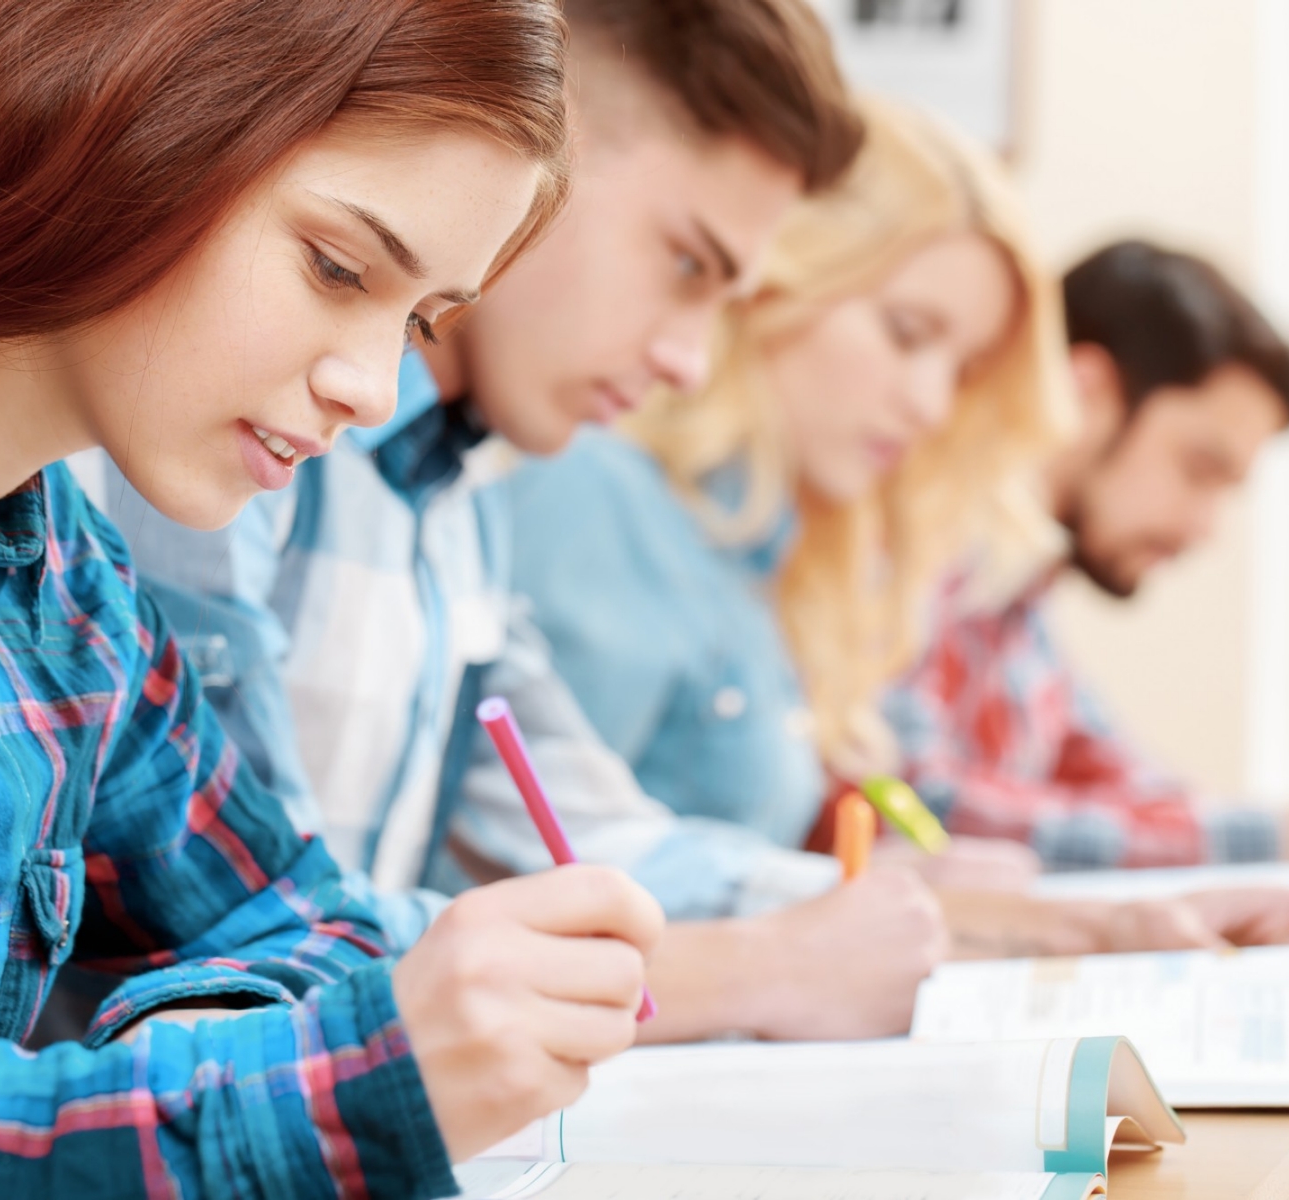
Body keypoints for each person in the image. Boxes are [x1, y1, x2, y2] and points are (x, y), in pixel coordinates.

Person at [0, 2, 668, 1195]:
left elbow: (312, 929)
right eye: (337, 266)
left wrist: (204, 1052)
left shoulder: (77, 600)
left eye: (416, 321)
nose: (369, 386)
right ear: (120, 114)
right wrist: (279, 1107)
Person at [111, 0, 942, 1044]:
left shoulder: (453, 493)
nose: (689, 360)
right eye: (687, 265)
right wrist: (750, 973)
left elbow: (595, 832)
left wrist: (893, 915)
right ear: (538, 142)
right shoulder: (221, 428)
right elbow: (249, 924)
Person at [492, 103, 1289, 1017]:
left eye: (957, 367)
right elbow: (538, 891)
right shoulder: (600, 504)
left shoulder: (779, 567)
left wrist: (1087, 926)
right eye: (909, 334)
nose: (927, 404)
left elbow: (715, 881)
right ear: (774, 286)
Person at [885, 240, 1289, 869]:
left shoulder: (1019, 596)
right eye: (1199, 468)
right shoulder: (906, 539)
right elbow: (918, 807)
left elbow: (1115, 776)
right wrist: (1265, 840)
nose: (1206, 527)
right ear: (1087, 392)